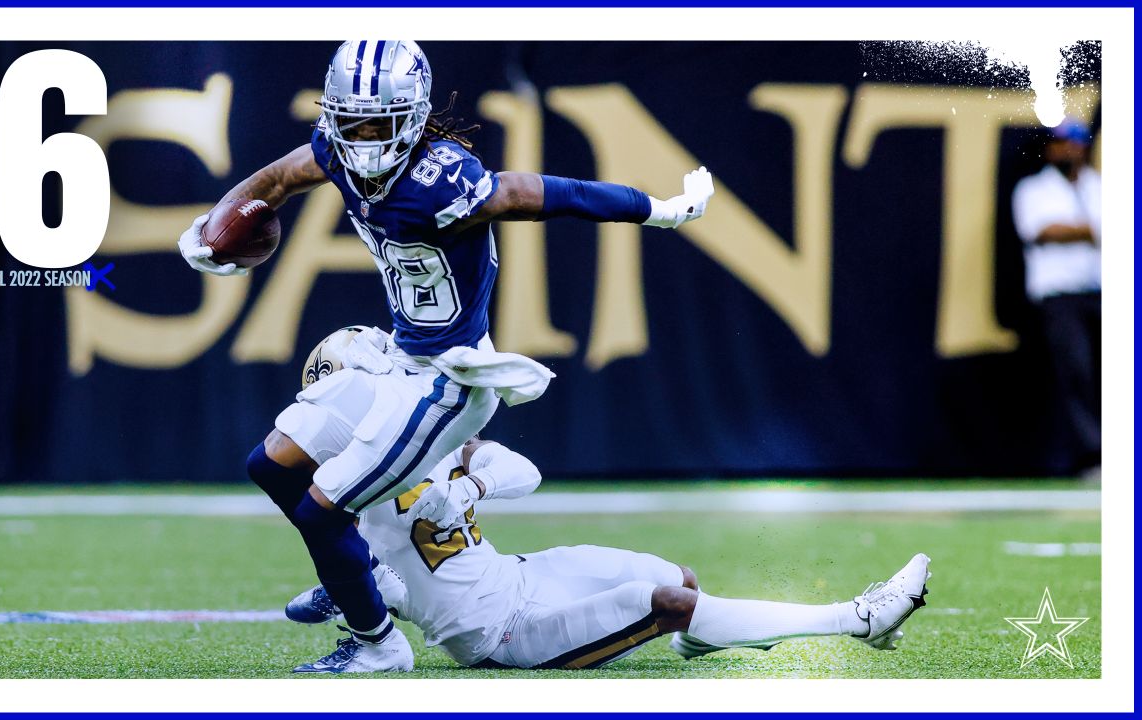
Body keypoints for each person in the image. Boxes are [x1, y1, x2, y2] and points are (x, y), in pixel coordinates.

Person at [177, 40, 715, 672]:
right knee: (271, 465)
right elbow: (273, 181)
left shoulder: (442, 178)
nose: (367, 139)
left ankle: (378, 645)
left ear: (413, 115)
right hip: (401, 363)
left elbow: (541, 193)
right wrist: (214, 224)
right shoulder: (333, 151)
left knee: (322, 511)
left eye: (382, 123)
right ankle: (370, 572)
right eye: (353, 122)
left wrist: (655, 209)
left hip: (449, 380)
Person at [284, 327, 932, 672]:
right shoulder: (348, 489)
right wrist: (352, 586)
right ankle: (856, 619)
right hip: (498, 632)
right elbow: (349, 587)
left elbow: (521, 469)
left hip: (519, 576)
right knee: (669, 602)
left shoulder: (427, 435)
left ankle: (704, 637)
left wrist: (468, 485)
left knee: (681, 580)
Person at [1011, 119, 1101, 474]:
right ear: (1050, 148)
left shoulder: (1100, 186)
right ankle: (1094, 457)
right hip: (1060, 298)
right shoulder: (1034, 189)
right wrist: (1095, 230)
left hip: (1104, 292)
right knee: (1077, 372)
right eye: (1062, 143)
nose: (1070, 149)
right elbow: (1045, 230)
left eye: (1076, 142)